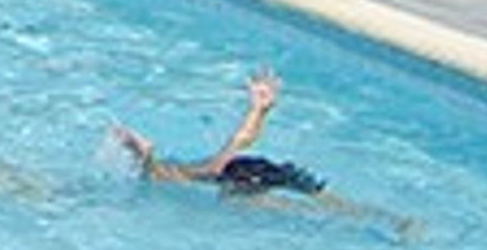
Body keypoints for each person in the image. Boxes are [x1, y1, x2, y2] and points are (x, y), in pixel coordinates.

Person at [113, 71, 333, 202]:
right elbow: (237, 146)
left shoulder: (178, 172)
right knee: (337, 209)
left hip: (245, 174)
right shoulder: (183, 169)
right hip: (257, 170)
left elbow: (221, 162)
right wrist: (259, 111)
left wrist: (258, 111)